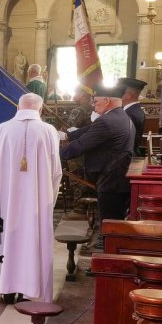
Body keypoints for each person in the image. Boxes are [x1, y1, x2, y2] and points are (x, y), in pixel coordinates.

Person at [0, 93, 62, 302]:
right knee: (32, 240)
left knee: (5, 240)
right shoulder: (48, 131)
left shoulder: (2, 129)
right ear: (41, 109)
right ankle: (30, 288)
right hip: (37, 201)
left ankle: (5, 288)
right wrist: (48, 201)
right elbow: (56, 171)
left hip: (6, 200)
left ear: (17, 108)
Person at [61, 84, 135, 252]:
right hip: (117, 178)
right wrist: (67, 135)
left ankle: (106, 261)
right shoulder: (120, 116)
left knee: (109, 226)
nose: (93, 105)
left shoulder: (107, 121)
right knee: (111, 223)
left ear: (107, 100)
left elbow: (81, 145)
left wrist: (53, 154)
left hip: (111, 181)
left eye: (95, 101)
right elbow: (90, 130)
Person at [117, 77, 147, 154]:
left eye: (119, 93)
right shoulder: (134, 110)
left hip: (126, 157)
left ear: (128, 95)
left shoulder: (129, 114)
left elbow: (121, 141)